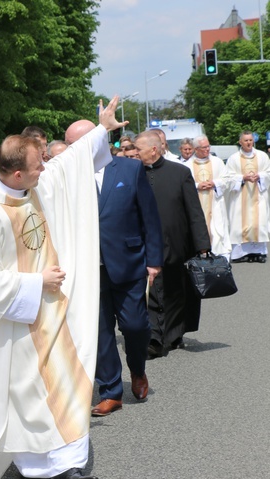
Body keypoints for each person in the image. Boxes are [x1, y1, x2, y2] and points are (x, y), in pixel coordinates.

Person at [0, 97, 125, 479]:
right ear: (14, 173)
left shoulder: (36, 184)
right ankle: (36, 465)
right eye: (37, 164)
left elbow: (70, 162)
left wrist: (102, 129)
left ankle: (69, 467)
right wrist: (34, 282)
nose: (46, 168)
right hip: (19, 317)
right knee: (30, 394)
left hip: (55, 309)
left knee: (71, 380)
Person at [62, 121, 163, 417]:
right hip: (87, 270)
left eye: (75, 145)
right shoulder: (67, 175)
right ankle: (110, 390)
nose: (70, 151)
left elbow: (150, 217)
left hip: (128, 263)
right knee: (100, 331)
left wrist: (153, 260)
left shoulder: (129, 169)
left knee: (134, 325)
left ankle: (138, 369)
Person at [135, 131, 211, 358]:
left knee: (177, 291)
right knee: (153, 290)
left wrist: (202, 244)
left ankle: (175, 333)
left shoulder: (180, 173)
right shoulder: (134, 173)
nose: (135, 153)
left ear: (153, 150)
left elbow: (193, 210)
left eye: (138, 149)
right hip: (146, 243)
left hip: (178, 243)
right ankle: (155, 339)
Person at [225, 131, 270, 263]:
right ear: (240, 142)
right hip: (240, 198)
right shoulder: (234, 158)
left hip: (258, 195)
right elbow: (228, 178)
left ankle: (259, 253)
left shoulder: (262, 156)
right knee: (239, 225)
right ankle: (239, 254)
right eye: (246, 140)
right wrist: (243, 177)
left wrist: (260, 176)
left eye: (250, 140)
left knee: (259, 224)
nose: (248, 143)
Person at [185, 135, 232, 258]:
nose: (207, 149)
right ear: (196, 149)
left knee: (217, 232)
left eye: (208, 146)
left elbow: (227, 179)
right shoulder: (187, 165)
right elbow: (182, 185)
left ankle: (220, 260)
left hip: (215, 204)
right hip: (197, 206)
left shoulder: (217, 162)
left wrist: (214, 183)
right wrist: (197, 186)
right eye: (203, 147)